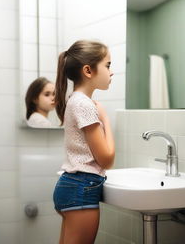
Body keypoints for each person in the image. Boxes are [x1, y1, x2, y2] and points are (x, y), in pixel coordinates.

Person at [53, 40, 115, 244]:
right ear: (88, 70)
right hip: (82, 188)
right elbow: (106, 159)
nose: (111, 72)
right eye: (107, 65)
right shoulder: (85, 104)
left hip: (73, 186)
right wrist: (105, 118)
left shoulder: (75, 100)